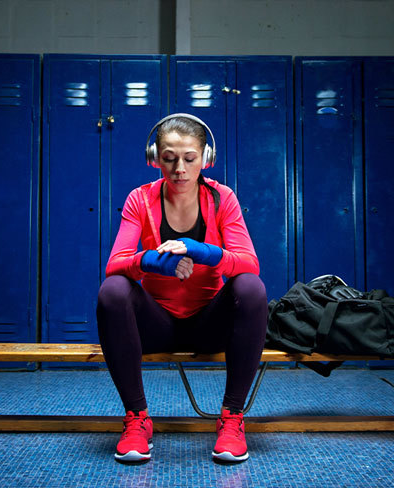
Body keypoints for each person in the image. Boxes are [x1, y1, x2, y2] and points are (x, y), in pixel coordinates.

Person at [96, 113, 268, 464]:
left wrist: (200, 250)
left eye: (189, 158)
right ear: (154, 157)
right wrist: (153, 261)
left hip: (209, 327)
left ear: (206, 158)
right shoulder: (139, 199)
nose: (179, 169)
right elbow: (115, 264)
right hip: (156, 328)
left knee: (251, 288)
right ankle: (137, 420)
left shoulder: (223, 198)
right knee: (113, 290)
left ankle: (232, 419)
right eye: (169, 157)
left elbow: (250, 264)